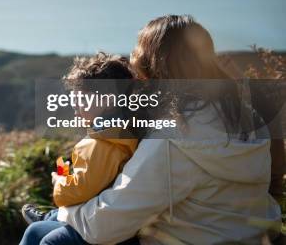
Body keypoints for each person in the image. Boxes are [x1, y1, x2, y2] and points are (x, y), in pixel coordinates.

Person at [20, 15, 281, 245]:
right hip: (246, 235)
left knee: (49, 238)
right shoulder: (242, 113)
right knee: (39, 230)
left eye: (141, 58)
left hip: (188, 239)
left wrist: (64, 210)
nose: (136, 67)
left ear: (156, 68)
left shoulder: (174, 139)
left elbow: (103, 227)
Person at [21, 53, 138, 225]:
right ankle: (50, 217)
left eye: (82, 99)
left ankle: (48, 219)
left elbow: (81, 191)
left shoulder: (102, 144)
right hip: (104, 211)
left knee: (36, 231)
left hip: (94, 218)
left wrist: (60, 181)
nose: (75, 104)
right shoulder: (122, 132)